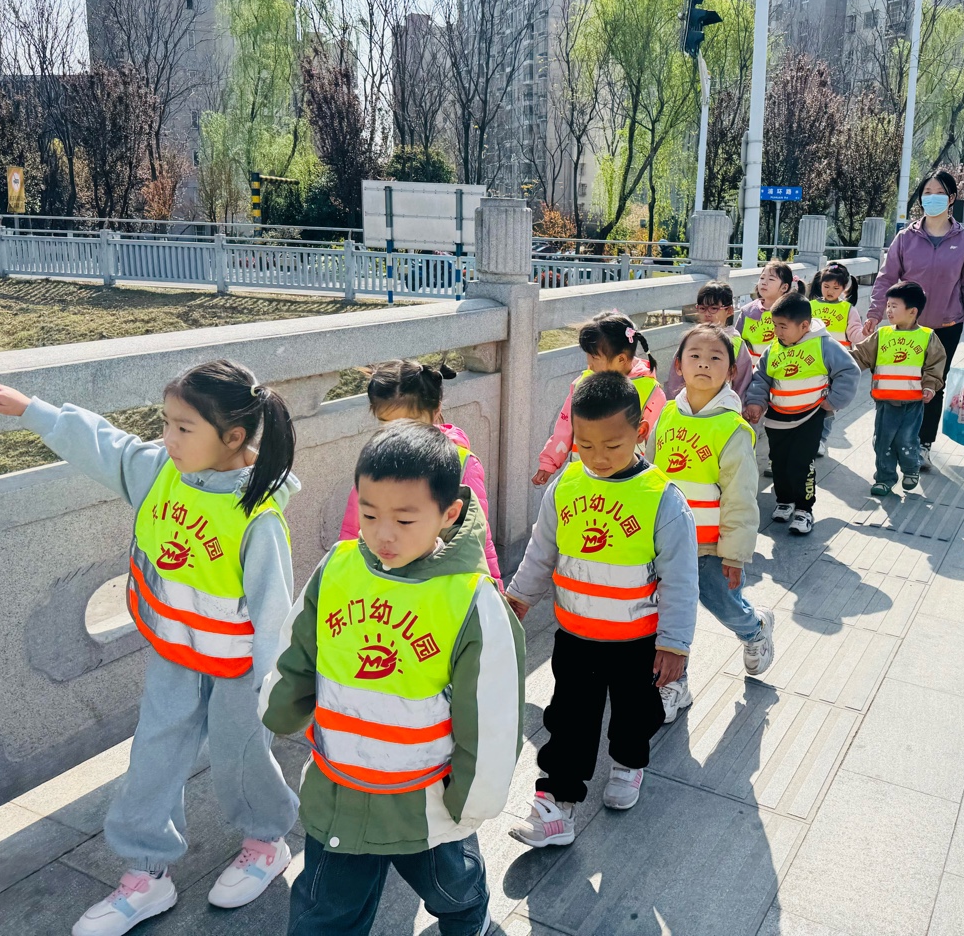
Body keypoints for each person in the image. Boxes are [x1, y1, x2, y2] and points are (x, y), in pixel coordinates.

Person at [0, 362, 301, 936]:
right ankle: (147, 873)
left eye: (183, 428)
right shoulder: (160, 472)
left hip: (240, 668)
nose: (167, 438)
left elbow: (273, 613)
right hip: (174, 654)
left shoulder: (257, 518)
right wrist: (32, 411)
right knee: (153, 756)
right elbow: (108, 446)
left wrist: (274, 689)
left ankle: (266, 843)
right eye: (164, 422)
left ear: (233, 437)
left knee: (241, 756)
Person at [262, 423, 525, 936]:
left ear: (449, 513)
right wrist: (280, 703)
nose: (383, 534)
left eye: (404, 519)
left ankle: (471, 924)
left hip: (425, 800)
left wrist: (472, 799)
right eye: (368, 514)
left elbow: (491, 713)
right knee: (323, 913)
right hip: (339, 788)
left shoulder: (470, 599)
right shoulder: (338, 568)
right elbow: (299, 646)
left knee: (454, 889)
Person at [507, 372, 699, 845]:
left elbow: (681, 580)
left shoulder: (662, 499)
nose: (597, 456)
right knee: (568, 718)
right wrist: (519, 597)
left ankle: (628, 763)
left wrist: (675, 645)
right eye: (585, 444)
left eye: (611, 445)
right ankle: (556, 803)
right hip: (576, 636)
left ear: (640, 432)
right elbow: (541, 550)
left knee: (635, 713)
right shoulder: (565, 486)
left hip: (638, 641)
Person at [651, 324, 775, 723]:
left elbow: (741, 498)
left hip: (709, 547)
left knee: (723, 604)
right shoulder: (667, 414)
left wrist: (735, 554)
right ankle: (675, 683)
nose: (703, 364)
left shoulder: (733, 429)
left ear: (732, 371)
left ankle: (754, 629)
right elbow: (649, 475)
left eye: (715, 358)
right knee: (666, 614)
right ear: (678, 365)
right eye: (695, 356)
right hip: (664, 544)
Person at [864, 170, 964, 472]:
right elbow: (886, 278)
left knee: (934, 385)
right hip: (907, 328)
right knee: (901, 383)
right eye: (927, 193)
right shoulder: (905, 238)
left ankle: (923, 445)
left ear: (952, 198)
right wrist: (874, 313)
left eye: (939, 193)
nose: (932, 198)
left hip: (946, 326)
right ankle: (895, 441)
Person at [338, 360, 501, 585]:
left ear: (435, 412)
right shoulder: (376, 463)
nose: (400, 434)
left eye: (411, 422)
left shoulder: (462, 464)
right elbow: (352, 531)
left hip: (440, 587)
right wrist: (342, 578)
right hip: (384, 584)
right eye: (387, 423)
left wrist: (493, 588)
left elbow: (476, 536)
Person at [743, 291, 861, 535]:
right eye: (775, 325)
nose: (777, 331)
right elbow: (761, 378)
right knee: (779, 462)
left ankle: (804, 509)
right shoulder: (773, 349)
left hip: (809, 417)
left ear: (804, 326)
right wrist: (756, 402)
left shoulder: (824, 344)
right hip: (777, 418)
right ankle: (785, 501)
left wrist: (833, 401)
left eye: (783, 326)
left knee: (801, 463)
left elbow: (849, 371)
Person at [534, 311, 665, 486]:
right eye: (588, 355)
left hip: (630, 481)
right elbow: (565, 426)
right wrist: (549, 462)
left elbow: (657, 441)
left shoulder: (650, 392)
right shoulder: (582, 384)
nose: (589, 363)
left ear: (621, 359)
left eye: (595, 357)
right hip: (585, 476)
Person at [853, 281, 948, 495]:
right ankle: (884, 478)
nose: (888, 310)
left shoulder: (927, 336)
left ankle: (911, 468)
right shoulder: (882, 334)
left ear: (912, 311)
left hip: (912, 403)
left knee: (906, 439)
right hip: (885, 402)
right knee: (882, 441)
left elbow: (935, 364)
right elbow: (860, 355)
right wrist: (837, 362)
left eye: (894, 306)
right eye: (888, 305)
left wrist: (930, 386)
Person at [808, 261, 867, 459]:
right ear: (820, 284)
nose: (830, 291)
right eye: (826, 286)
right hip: (812, 362)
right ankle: (809, 437)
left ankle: (821, 439)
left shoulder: (848, 309)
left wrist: (865, 332)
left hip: (837, 365)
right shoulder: (810, 306)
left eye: (836, 287)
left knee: (828, 404)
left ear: (844, 288)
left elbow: (855, 335)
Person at [664, 280, 756, 402]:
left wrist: (738, 406)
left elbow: (742, 383)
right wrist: (673, 403)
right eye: (702, 308)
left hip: (722, 405)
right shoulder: (691, 339)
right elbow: (675, 378)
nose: (707, 314)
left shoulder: (736, 343)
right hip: (690, 404)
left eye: (714, 308)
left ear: (729, 311)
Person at [736, 258, 795, 370]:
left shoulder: (791, 313)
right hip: (751, 371)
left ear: (784, 287)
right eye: (762, 278)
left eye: (771, 279)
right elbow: (736, 341)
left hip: (780, 370)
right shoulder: (747, 311)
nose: (764, 282)